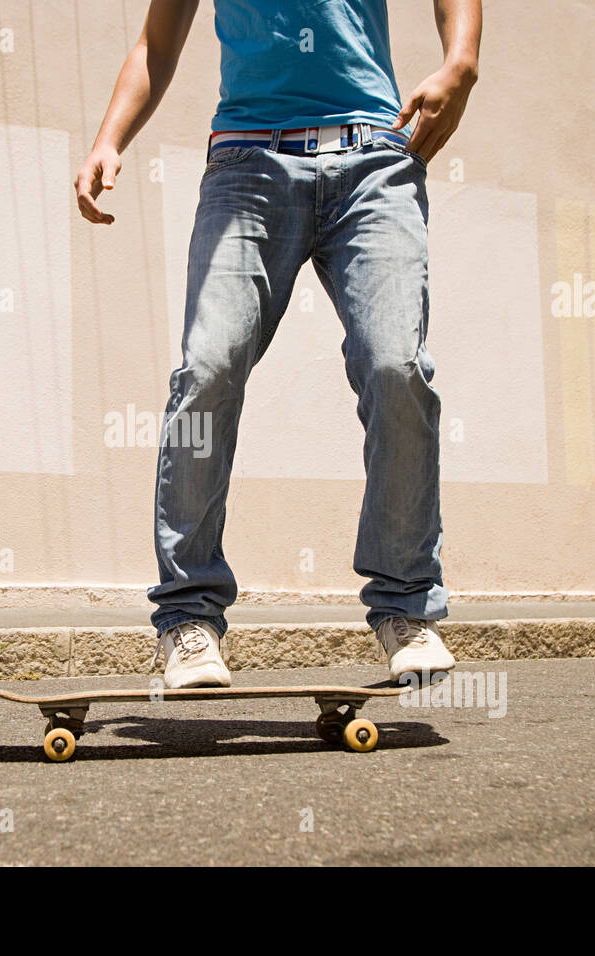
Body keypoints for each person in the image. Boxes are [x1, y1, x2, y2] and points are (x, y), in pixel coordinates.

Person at [73, 0, 481, 687]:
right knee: (208, 369)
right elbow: (156, 41)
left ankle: (405, 607)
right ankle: (188, 618)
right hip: (247, 165)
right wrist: (109, 138)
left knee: (396, 366)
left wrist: (460, 60)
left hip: (373, 162)